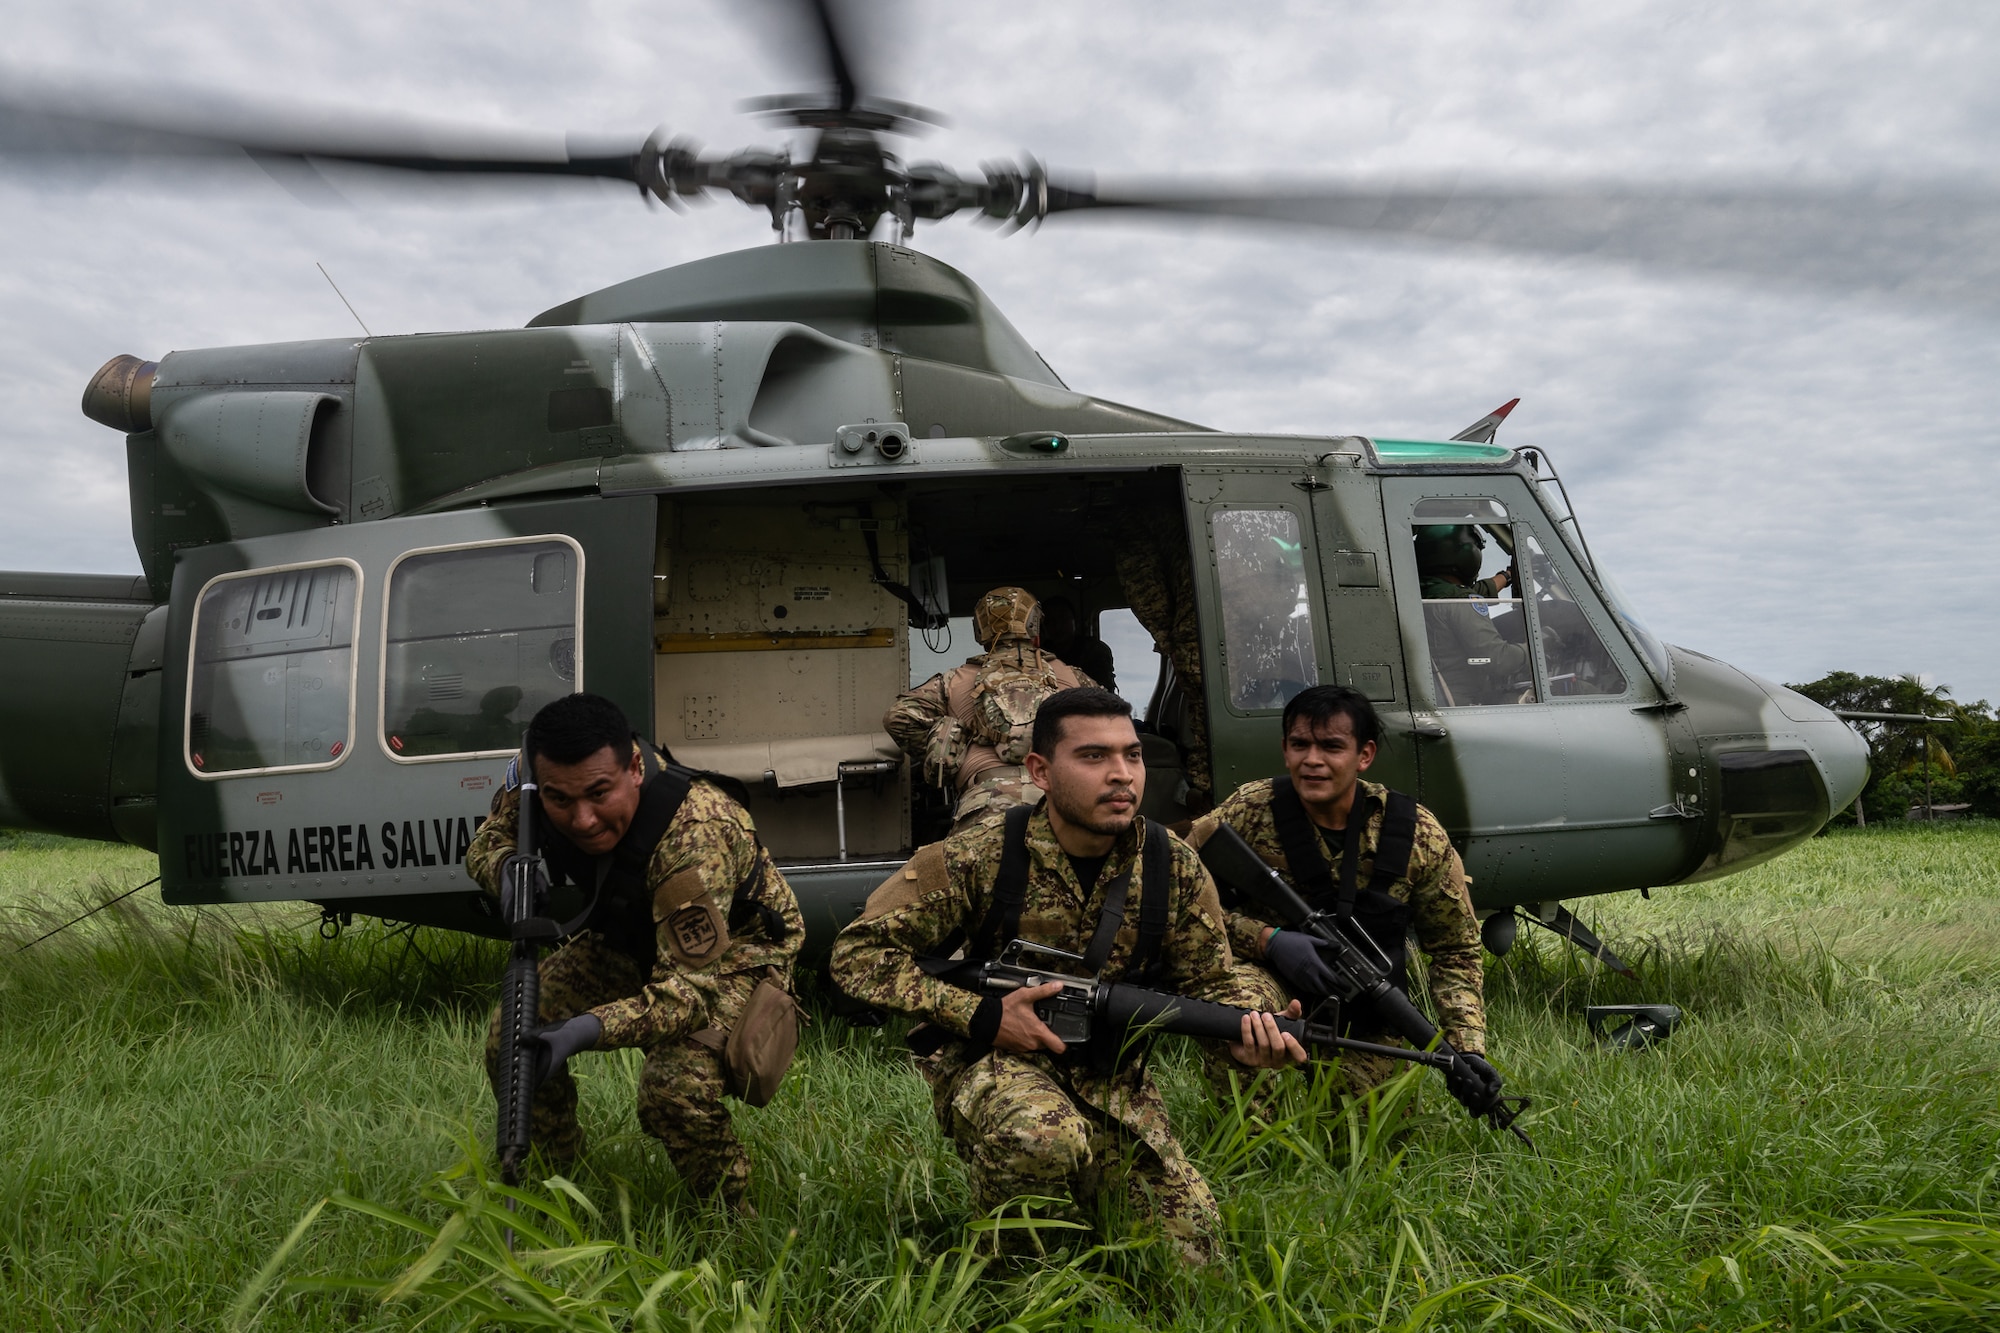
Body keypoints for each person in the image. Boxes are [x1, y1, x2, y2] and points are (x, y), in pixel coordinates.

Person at [832, 687, 1305, 1264]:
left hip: (1109, 1077)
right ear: (1041, 770)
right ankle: (1000, 1275)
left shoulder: (1170, 862)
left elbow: (1210, 984)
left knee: (1197, 1266)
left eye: (1131, 755)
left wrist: (1247, 1039)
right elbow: (855, 955)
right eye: (1093, 757)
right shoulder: (976, 855)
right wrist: (982, 1015)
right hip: (990, 1063)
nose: (1122, 775)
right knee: (1041, 1136)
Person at [465, 692, 804, 1212]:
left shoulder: (695, 831)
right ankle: (560, 1184)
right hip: (630, 935)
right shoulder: (535, 774)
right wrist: (507, 867)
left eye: (600, 794)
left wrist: (584, 1030)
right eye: (561, 801)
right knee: (511, 1040)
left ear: (635, 768)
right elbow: (489, 838)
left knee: (673, 1087)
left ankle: (733, 1215)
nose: (582, 819)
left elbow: (685, 996)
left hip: (734, 959)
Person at [1185, 684, 1497, 1111]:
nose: (1312, 760)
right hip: (1267, 978)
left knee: (1370, 1132)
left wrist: (1467, 1048)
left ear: (1364, 755)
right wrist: (1266, 940)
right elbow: (1178, 888)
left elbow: (1455, 948)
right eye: (1300, 745)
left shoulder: (1414, 835)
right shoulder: (1251, 809)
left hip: (1363, 1006)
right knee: (1241, 1015)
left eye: (1331, 746)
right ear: (1284, 749)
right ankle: (1249, 1145)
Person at [884, 586, 1099, 831]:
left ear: (980, 630)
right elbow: (1108, 724)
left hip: (986, 803)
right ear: (1035, 624)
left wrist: (953, 741)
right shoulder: (1072, 676)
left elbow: (898, 717)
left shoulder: (954, 680)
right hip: (1061, 797)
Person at [1413, 524, 1534, 706]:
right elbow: (1500, 661)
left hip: (1435, 699)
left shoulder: (1421, 591)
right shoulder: (1459, 601)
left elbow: (1473, 592)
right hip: (1462, 706)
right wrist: (1535, 647)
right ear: (1467, 555)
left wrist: (1507, 575)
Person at [1039, 596, 1117, 694]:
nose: (1057, 626)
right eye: (1050, 621)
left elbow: (1104, 692)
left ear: (1075, 621)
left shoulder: (1095, 651)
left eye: (1062, 619)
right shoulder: (1040, 653)